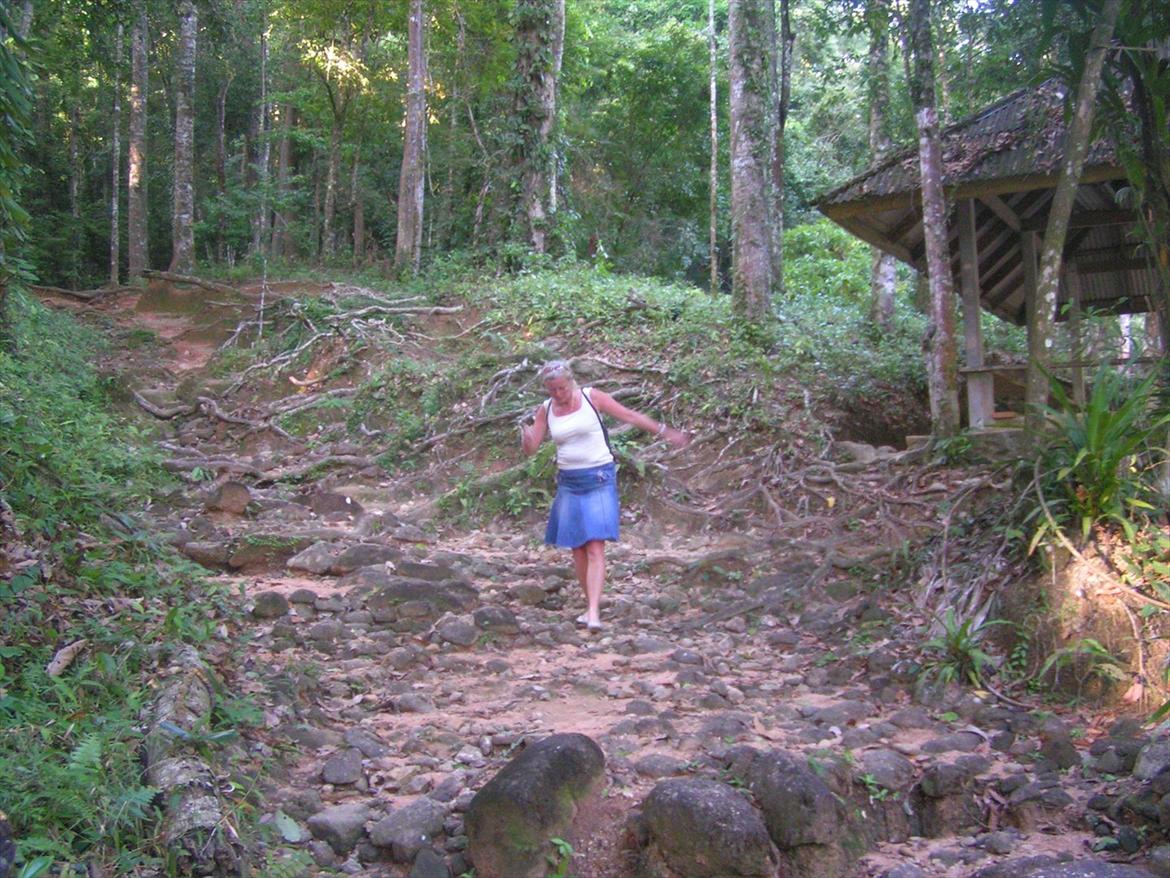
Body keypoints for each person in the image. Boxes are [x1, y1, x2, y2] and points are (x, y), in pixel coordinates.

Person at [519, 359, 689, 630]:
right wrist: (527, 438)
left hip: (599, 476)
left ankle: (594, 612)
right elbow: (531, 450)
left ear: (571, 382)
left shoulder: (591, 397)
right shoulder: (546, 409)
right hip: (569, 481)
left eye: (562, 388)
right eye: (553, 390)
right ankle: (590, 606)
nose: (559, 394)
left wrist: (664, 431)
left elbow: (629, 416)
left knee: (595, 546)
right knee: (578, 547)